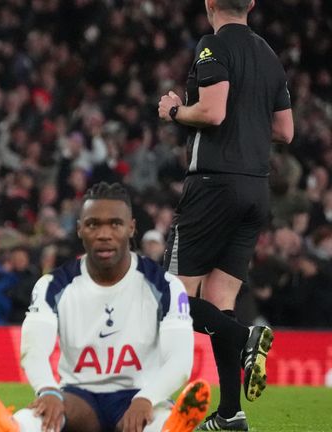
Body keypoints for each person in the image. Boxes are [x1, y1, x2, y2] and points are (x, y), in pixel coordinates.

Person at [0, 182, 210, 432]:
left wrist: (147, 397)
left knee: (155, 418)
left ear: (131, 228)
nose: (104, 234)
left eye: (115, 223)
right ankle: (15, 427)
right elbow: (34, 349)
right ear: (80, 229)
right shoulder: (52, 285)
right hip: (79, 399)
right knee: (45, 412)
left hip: (140, 395)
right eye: (93, 224)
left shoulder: (165, 286)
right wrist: (47, 390)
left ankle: (171, 426)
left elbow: (180, 360)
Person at [157, 1, 293, 430]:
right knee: (220, 301)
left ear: (209, 3)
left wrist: (175, 110)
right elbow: (285, 130)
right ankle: (231, 412)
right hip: (256, 187)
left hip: (214, 185)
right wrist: (248, 121)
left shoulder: (212, 46)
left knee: (171, 302)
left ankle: (246, 337)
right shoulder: (269, 54)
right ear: (251, 4)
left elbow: (212, 112)